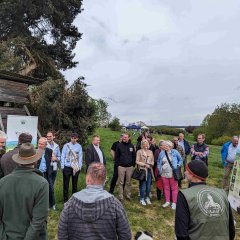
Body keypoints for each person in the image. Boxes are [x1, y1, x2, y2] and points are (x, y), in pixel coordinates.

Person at [58, 162, 132, 240]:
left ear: (87, 178)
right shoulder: (115, 204)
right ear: (104, 180)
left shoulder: (70, 203)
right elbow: (126, 235)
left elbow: (62, 234)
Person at [175, 160, 235, 240]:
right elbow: (231, 227)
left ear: (192, 175)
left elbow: (181, 233)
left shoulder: (184, 196)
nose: (185, 172)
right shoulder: (222, 193)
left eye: (187, 170)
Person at [0, 143, 49, 239]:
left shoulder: (2, 182)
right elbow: (38, 221)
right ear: (35, 161)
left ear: (18, 161)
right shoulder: (42, 184)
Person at [157, 141, 183, 210]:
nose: (165, 147)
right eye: (164, 145)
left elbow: (180, 160)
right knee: (166, 187)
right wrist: (159, 168)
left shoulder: (175, 152)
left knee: (174, 188)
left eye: (166, 146)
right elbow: (159, 161)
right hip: (163, 173)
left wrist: (177, 165)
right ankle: (167, 201)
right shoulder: (162, 153)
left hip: (172, 173)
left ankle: (174, 202)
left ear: (170, 146)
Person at [61, 133, 83, 202]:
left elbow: (80, 157)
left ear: (77, 139)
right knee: (66, 185)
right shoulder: (66, 145)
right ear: (70, 138)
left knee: (74, 185)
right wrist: (62, 166)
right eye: (72, 138)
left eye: (75, 138)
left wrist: (79, 167)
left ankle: (74, 200)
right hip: (67, 167)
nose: (73, 139)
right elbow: (62, 156)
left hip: (75, 167)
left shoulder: (79, 146)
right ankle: (65, 200)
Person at [116, 133, 136, 203]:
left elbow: (134, 155)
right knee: (121, 182)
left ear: (128, 138)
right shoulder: (119, 145)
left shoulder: (131, 145)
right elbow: (117, 156)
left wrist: (133, 164)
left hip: (129, 167)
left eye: (126, 137)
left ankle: (128, 195)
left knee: (129, 182)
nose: (124, 138)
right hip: (121, 166)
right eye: (124, 137)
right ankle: (120, 196)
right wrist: (118, 164)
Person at [37, 137, 56, 210]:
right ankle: (41, 205)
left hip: (46, 173)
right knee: (38, 190)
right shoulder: (35, 151)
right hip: (37, 173)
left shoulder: (49, 151)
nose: (39, 145)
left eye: (41, 144)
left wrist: (54, 158)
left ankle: (52, 204)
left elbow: (53, 160)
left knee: (50, 189)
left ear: (45, 145)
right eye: (39, 143)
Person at [136, 139, 154, 205]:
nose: (145, 145)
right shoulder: (139, 151)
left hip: (149, 170)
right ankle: (142, 199)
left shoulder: (150, 152)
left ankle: (147, 198)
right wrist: (144, 164)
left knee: (148, 185)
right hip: (142, 171)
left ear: (148, 144)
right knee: (143, 185)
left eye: (146, 144)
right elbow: (137, 161)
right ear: (142, 145)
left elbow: (153, 161)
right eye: (143, 144)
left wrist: (151, 164)